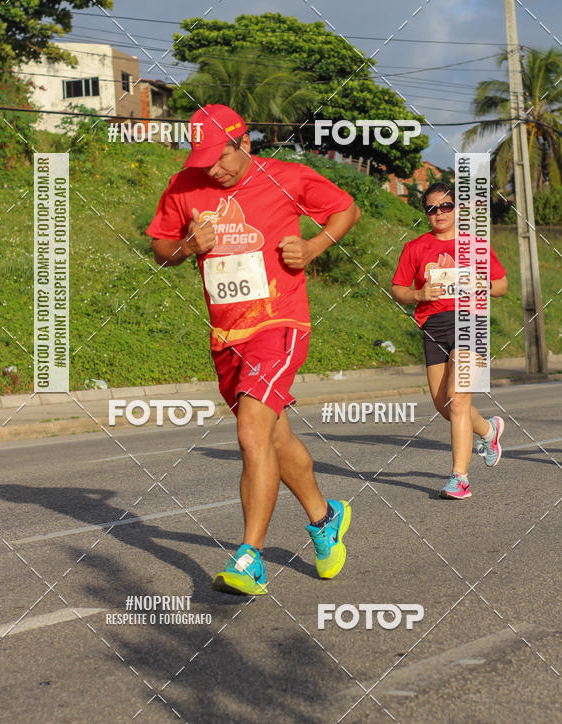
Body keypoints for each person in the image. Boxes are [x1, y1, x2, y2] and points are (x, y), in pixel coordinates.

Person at [147, 104, 361, 594]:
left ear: (245, 144)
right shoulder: (185, 186)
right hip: (226, 335)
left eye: (221, 158)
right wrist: (188, 246)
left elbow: (346, 208)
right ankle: (325, 518)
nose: (213, 169)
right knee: (275, 439)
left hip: (279, 324)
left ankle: (250, 558)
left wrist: (311, 248)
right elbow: (160, 249)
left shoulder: (288, 176)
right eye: (202, 160)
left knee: (250, 434)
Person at [390, 182, 508, 499]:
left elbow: (501, 286)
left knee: (457, 400)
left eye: (445, 206)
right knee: (444, 405)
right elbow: (398, 289)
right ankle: (487, 430)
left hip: (471, 323)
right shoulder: (415, 247)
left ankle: (460, 478)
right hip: (434, 326)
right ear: (425, 213)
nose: (439, 213)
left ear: (456, 209)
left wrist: (477, 281)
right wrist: (417, 294)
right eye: (431, 208)